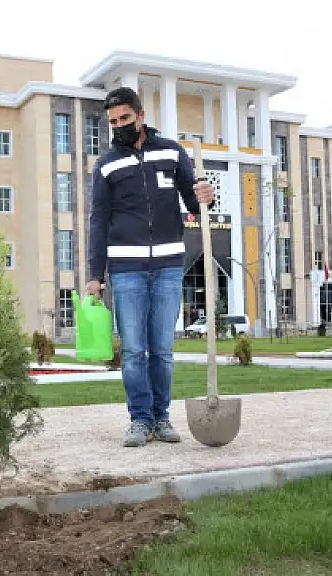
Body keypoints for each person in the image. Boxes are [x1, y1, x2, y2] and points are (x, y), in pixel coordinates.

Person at [85, 87, 215, 447]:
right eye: (113, 122)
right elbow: (98, 221)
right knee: (132, 351)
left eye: (125, 118)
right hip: (125, 268)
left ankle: (161, 417)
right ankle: (139, 419)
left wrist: (206, 195)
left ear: (140, 116)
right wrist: (96, 275)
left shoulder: (172, 152)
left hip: (169, 265)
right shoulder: (106, 164)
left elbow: (193, 199)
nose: (119, 126)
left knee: (161, 349)